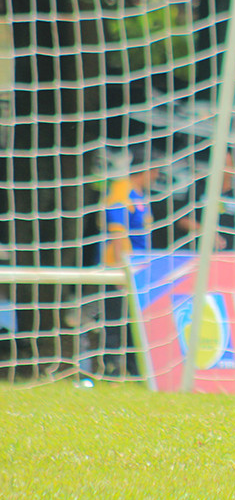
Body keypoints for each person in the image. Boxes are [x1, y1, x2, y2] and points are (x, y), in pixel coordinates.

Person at [99, 146, 160, 376]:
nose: (157, 176)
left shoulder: (139, 194)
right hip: (120, 267)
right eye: (155, 171)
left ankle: (135, 370)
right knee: (116, 318)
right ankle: (110, 369)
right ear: (147, 169)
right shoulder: (121, 190)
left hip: (138, 267)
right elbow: (117, 232)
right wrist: (120, 269)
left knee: (134, 321)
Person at [176, 148, 235, 251]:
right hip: (199, 252)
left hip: (228, 254)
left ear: (233, 169)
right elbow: (182, 220)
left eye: (224, 164)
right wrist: (206, 231)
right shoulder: (199, 189)